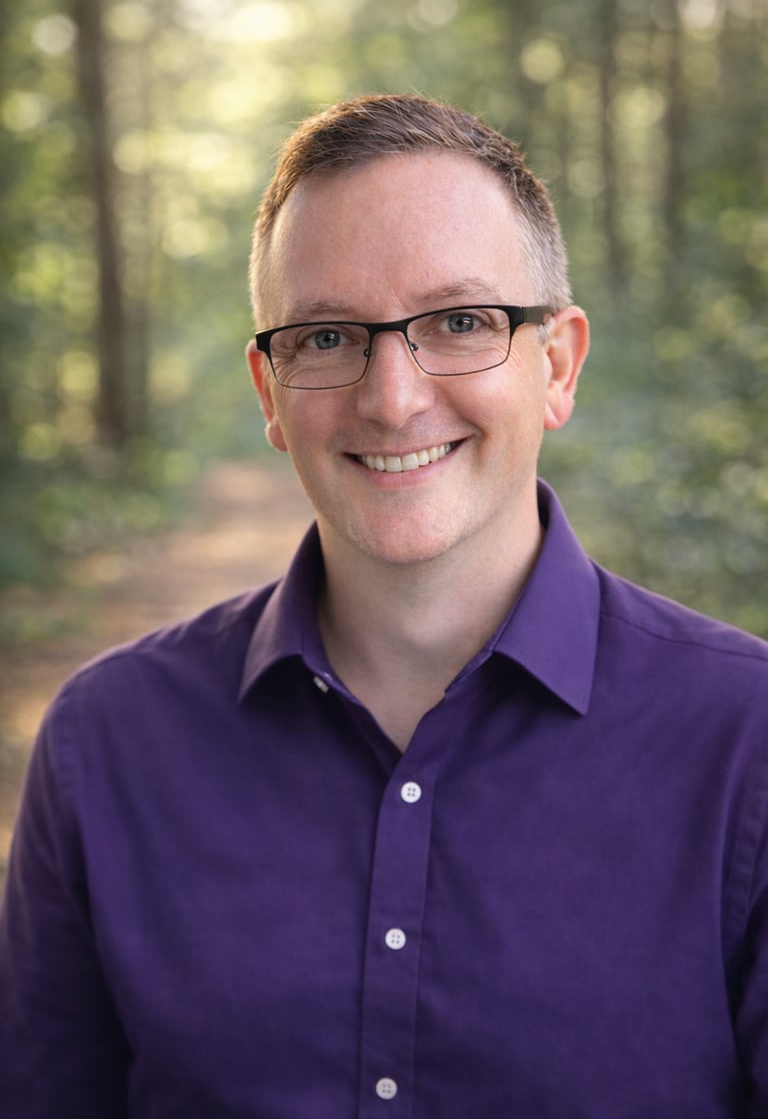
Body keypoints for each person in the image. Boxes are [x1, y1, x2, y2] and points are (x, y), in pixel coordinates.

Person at [1, 92, 767, 1119]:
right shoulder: (106, 747)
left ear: (559, 363)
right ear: (270, 393)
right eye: (326, 336)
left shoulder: (746, 743)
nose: (394, 397)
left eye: (460, 322)